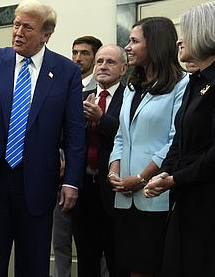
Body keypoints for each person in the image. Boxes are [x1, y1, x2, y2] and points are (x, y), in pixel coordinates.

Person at [0, 0, 86, 276]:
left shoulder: (66, 71)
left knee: (33, 265)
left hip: (37, 183)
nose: (18, 32)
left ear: (46, 35)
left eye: (28, 27)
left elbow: (74, 132)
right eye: (16, 24)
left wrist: (71, 180)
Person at [144, 1, 215, 277]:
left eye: (186, 31)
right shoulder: (197, 80)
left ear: (207, 33)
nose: (179, 39)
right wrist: (165, 171)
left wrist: (175, 179)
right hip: (190, 198)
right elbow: (180, 140)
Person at [107, 17, 188, 277]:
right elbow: (121, 135)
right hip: (124, 195)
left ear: (154, 44)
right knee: (127, 266)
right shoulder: (132, 86)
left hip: (155, 194)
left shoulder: (181, 84)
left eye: (134, 41)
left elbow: (175, 140)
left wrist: (141, 179)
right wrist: (113, 172)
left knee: (151, 267)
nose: (127, 47)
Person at [72, 44, 127, 277]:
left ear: (124, 69)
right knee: (87, 259)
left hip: (115, 190)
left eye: (110, 62)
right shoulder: (81, 97)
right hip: (84, 190)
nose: (103, 66)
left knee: (117, 260)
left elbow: (131, 136)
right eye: (100, 62)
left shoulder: (132, 97)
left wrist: (102, 119)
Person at [53, 35, 103, 277]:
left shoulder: (102, 88)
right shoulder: (63, 85)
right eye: (74, 52)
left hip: (91, 176)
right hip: (61, 174)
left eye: (84, 53)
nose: (77, 58)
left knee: (95, 245)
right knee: (60, 239)